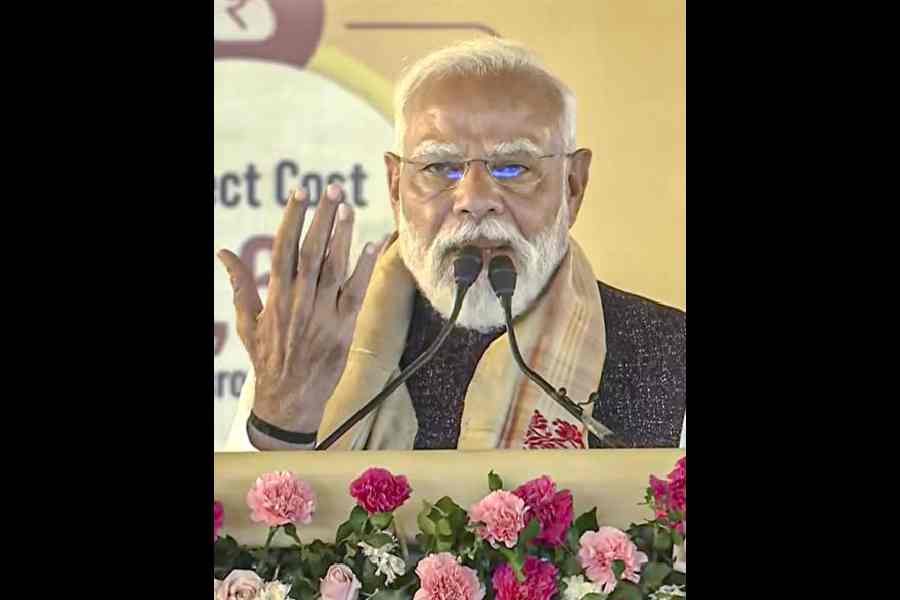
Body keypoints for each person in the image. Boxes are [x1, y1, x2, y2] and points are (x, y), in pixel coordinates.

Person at [217, 38, 685, 451]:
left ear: (573, 185)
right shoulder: (312, 345)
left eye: (513, 167)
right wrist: (281, 418)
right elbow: (242, 539)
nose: (475, 200)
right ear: (396, 184)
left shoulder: (671, 352)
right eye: (440, 167)